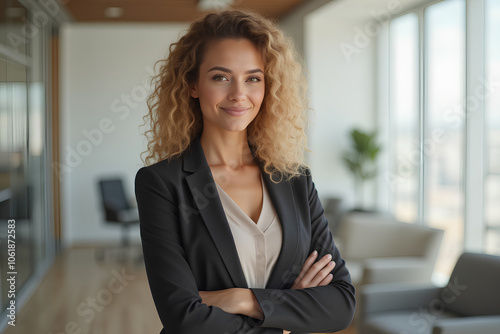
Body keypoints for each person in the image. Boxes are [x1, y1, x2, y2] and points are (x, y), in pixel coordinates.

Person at [135, 9, 355, 334]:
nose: (239, 93)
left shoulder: (295, 179)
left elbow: (340, 304)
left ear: (268, 87)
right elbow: (183, 318)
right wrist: (283, 314)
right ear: (193, 84)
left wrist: (244, 300)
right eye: (220, 77)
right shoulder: (161, 183)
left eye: (253, 78)